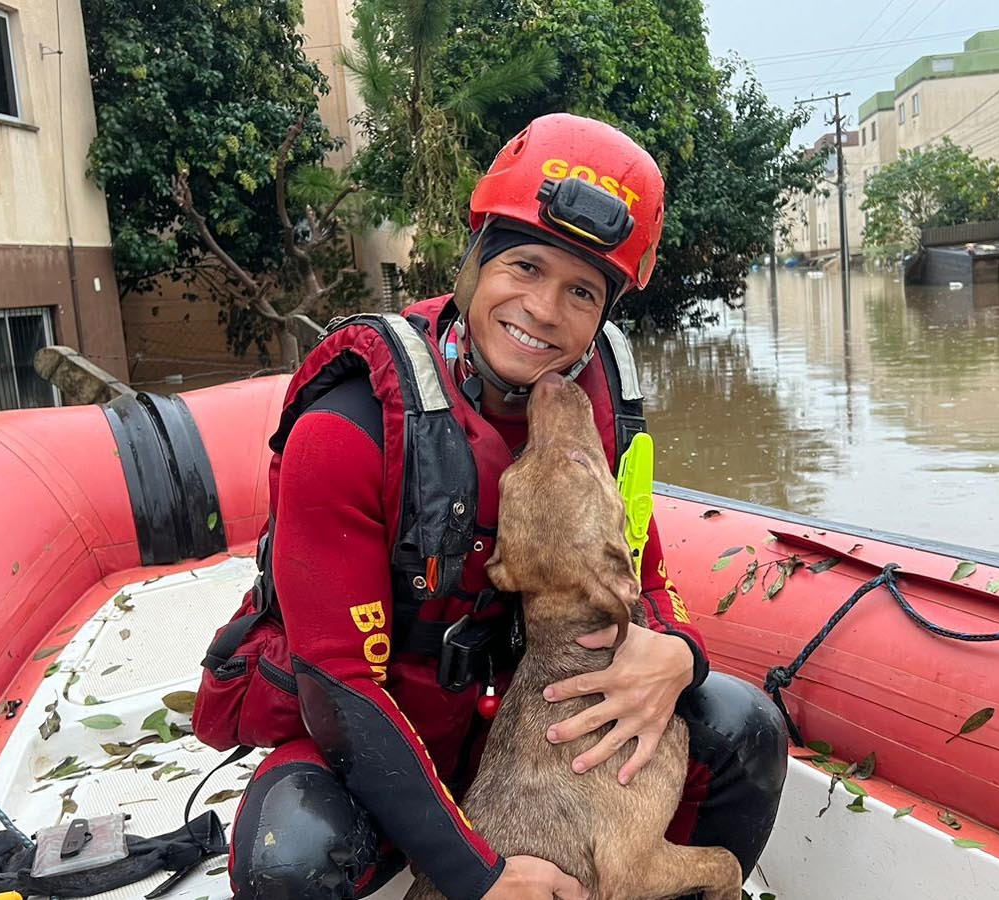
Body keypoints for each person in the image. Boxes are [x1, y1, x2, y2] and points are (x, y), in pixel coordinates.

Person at [223, 113, 786, 900]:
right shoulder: (345, 430)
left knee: (741, 728)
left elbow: (642, 574)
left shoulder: (590, 419)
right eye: (524, 265)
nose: (545, 309)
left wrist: (679, 654)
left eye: (582, 291)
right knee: (290, 856)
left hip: (522, 739)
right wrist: (476, 872)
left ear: (604, 313)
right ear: (474, 261)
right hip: (377, 740)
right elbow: (341, 688)